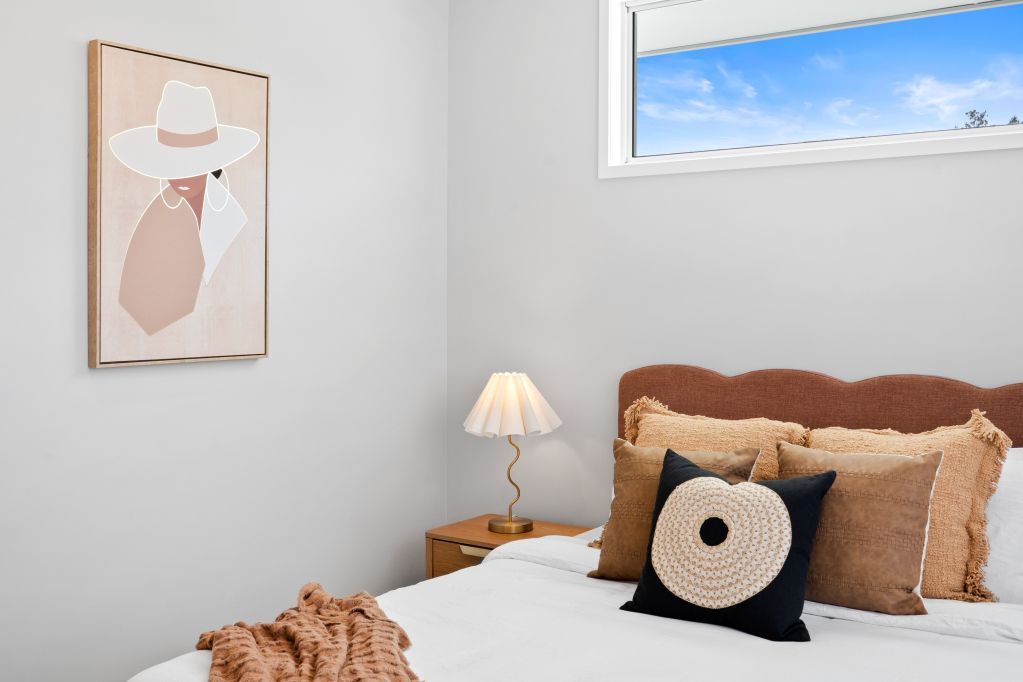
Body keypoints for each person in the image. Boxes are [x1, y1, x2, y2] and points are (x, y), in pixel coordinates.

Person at [109, 80, 260, 335]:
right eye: (173, 166)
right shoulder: (156, 221)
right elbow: (139, 306)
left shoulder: (237, 219)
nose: (182, 177)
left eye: (193, 166)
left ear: (211, 165)